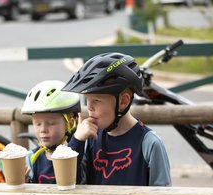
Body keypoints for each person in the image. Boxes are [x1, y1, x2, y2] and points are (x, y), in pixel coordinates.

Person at [62, 52, 172, 186]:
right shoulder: (88, 139)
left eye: (96, 100)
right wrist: (76, 142)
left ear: (123, 102)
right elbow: (69, 184)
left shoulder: (150, 144)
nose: (89, 108)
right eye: (87, 100)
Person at [21, 80, 82, 184]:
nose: (43, 130)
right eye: (37, 124)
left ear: (70, 123)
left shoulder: (80, 152)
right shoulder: (32, 158)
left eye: (51, 123)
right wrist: (25, 183)